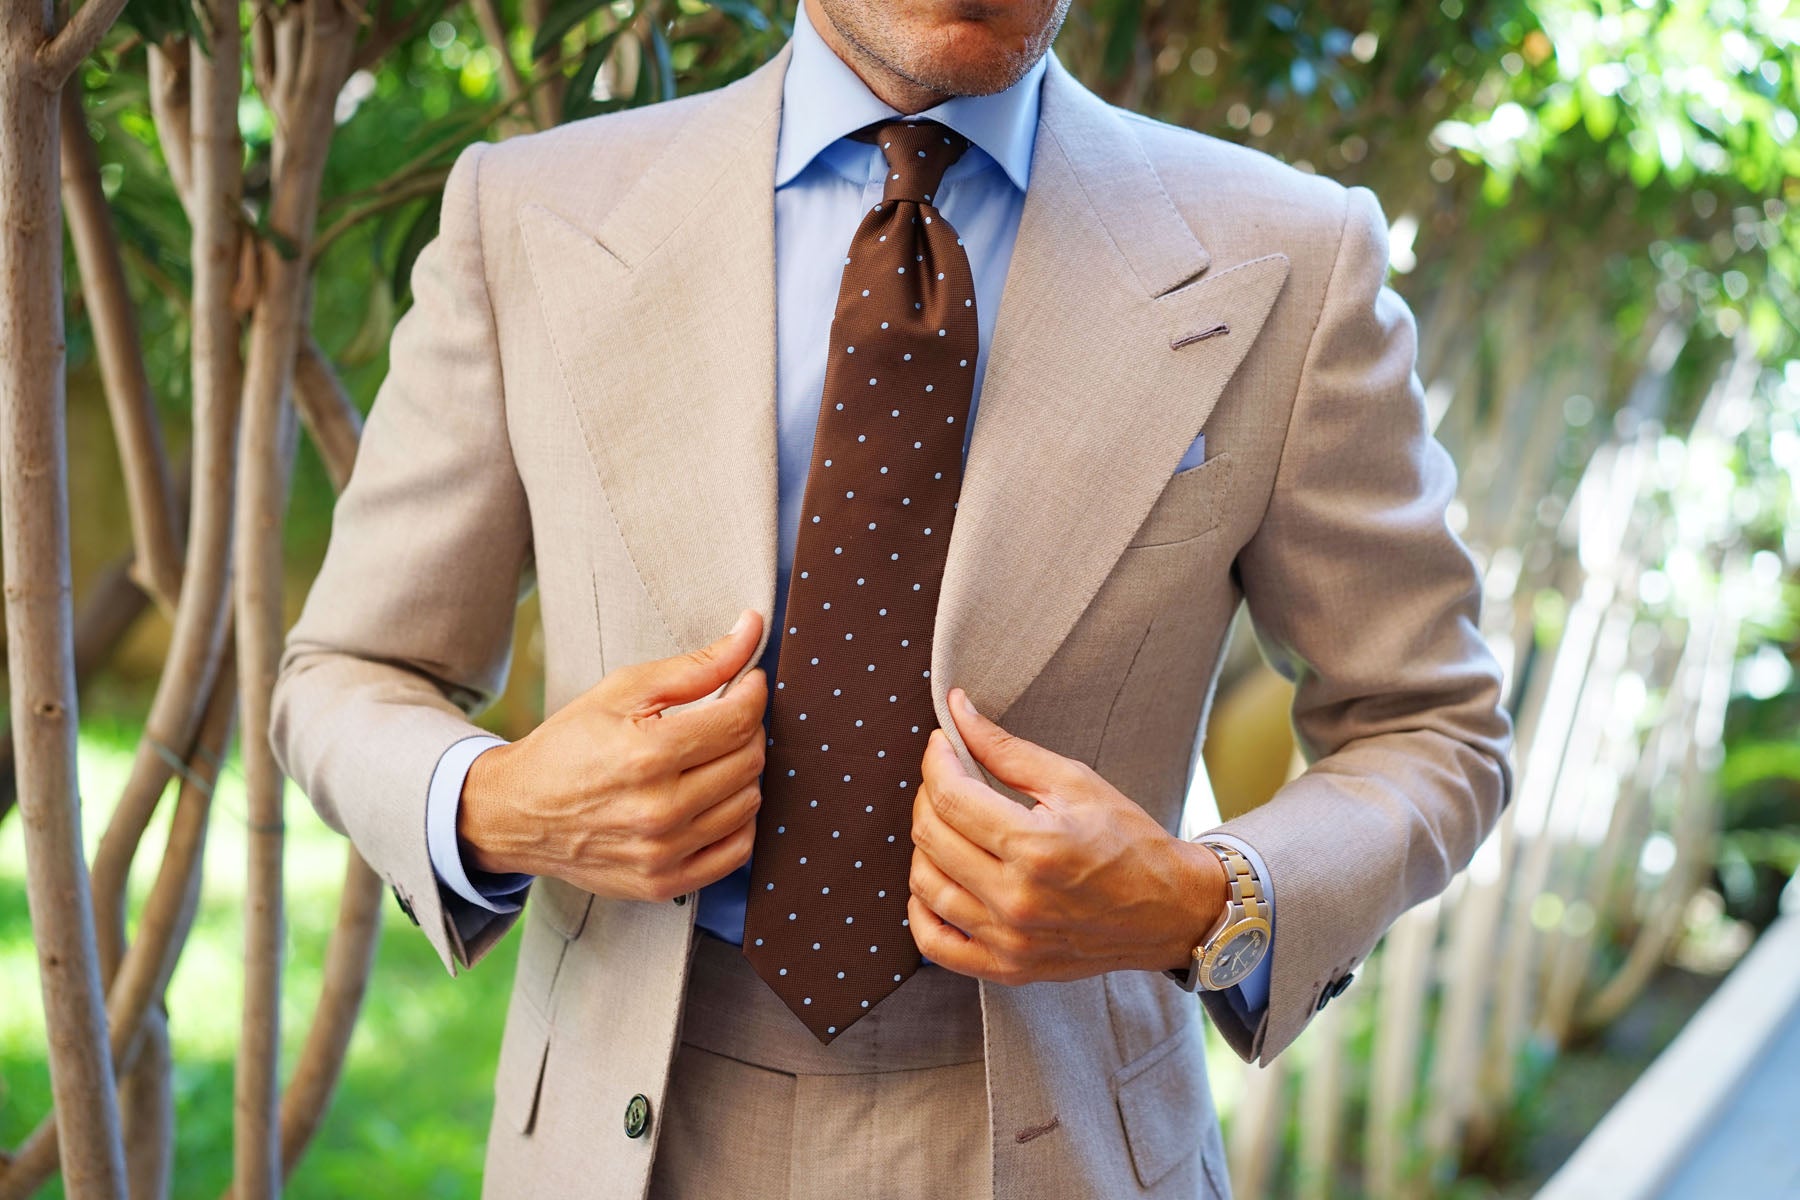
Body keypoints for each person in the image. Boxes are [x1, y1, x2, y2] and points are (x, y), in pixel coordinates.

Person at [269, 0, 1514, 1195]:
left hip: (1068, 1138)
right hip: (627, 1129)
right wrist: (496, 804)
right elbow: (348, 674)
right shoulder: (531, 213)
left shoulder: (1294, 257)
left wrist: (1205, 903)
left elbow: (1431, 726)